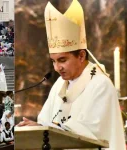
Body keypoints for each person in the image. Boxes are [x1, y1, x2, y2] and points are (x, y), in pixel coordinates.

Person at [17, 1, 125, 150]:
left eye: (62, 60)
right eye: (53, 61)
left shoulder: (101, 85)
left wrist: (48, 128)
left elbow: (91, 134)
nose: (57, 68)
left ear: (81, 56)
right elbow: (45, 123)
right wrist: (36, 128)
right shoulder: (59, 84)